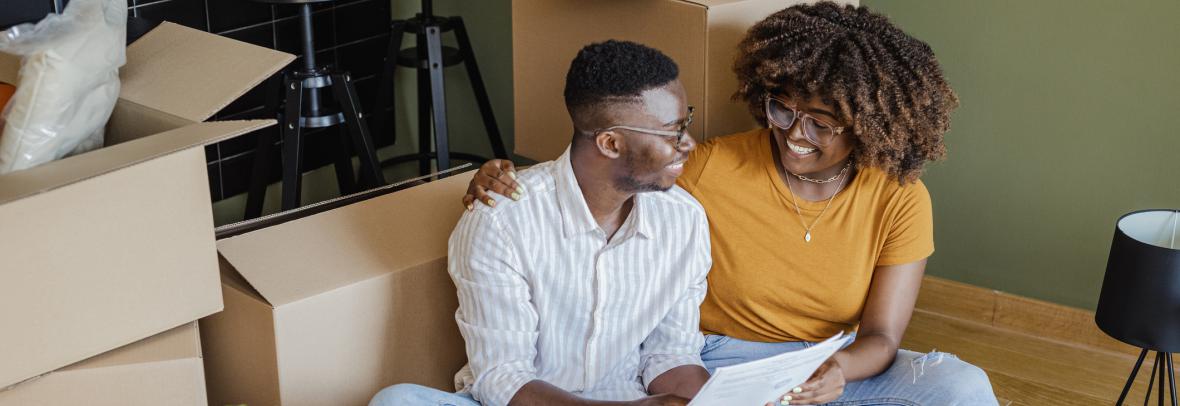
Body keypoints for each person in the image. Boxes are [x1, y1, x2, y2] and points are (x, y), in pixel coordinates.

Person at [462, 3, 999, 405]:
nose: (794, 134)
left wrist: (836, 370)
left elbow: (882, 337)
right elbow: (613, 169)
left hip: (827, 364)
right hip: (716, 358)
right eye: (782, 109)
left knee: (963, 387)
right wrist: (498, 175)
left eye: (821, 122)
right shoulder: (709, 165)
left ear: (868, 126)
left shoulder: (898, 199)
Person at [370, 40, 712, 406]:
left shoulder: (683, 219)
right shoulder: (501, 221)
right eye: (671, 131)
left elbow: (670, 356)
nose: (688, 143)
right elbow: (503, 377)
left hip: (626, 395)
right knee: (396, 401)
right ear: (610, 143)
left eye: (685, 123)